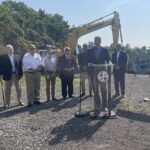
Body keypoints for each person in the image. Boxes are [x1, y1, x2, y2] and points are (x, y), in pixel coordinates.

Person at [87, 36, 110, 117]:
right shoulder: (90, 50)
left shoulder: (105, 50)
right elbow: (88, 60)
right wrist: (89, 64)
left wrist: (110, 65)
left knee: (104, 89)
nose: (96, 42)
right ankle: (97, 106)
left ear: (100, 41)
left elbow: (108, 60)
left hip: (103, 72)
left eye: (98, 41)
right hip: (94, 72)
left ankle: (104, 107)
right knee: (96, 90)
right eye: (95, 41)